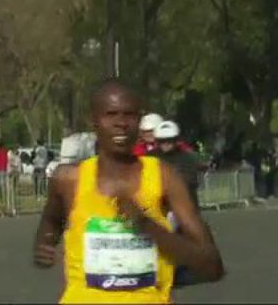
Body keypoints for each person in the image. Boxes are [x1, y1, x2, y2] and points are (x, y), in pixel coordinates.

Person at [33, 79, 224, 304]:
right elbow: (51, 222)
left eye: (129, 115)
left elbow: (212, 267)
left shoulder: (164, 177)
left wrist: (147, 226)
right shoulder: (68, 179)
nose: (121, 123)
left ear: (139, 122)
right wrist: (44, 245)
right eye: (111, 114)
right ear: (93, 120)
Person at [150, 120, 203, 287]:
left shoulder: (187, 158)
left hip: (181, 206)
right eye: (163, 141)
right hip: (157, 204)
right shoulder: (150, 158)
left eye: (170, 140)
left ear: (176, 139)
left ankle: (179, 271)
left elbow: (189, 181)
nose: (166, 144)